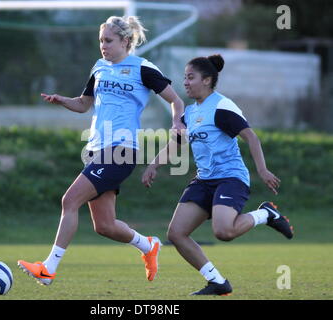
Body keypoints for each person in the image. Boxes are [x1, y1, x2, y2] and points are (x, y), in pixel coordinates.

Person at [17, 16, 185, 285]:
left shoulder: (143, 68)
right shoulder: (99, 68)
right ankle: (148, 245)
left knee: (69, 201)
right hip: (97, 150)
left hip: (122, 151)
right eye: (101, 41)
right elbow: (84, 104)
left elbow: (175, 100)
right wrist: (63, 101)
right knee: (104, 226)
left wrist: (177, 120)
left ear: (126, 42)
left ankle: (48, 268)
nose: (103, 46)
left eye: (108, 41)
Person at [142, 54, 294, 296]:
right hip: (204, 180)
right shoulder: (189, 113)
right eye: (185, 78)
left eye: (191, 77)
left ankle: (266, 214)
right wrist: (154, 165)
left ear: (207, 80)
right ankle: (217, 281)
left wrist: (262, 170)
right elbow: (175, 144)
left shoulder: (222, 107)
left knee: (224, 232)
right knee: (176, 234)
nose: (186, 82)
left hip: (230, 178)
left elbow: (251, 137)